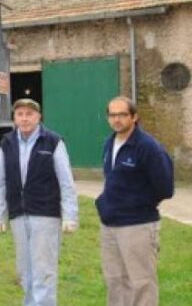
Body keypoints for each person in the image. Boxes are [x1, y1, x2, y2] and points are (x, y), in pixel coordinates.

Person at [0, 98, 78, 306]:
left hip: (45, 216)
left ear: (39, 117)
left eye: (29, 114)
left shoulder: (53, 142)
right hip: (18, 216)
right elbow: (0, 182)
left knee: (44, 270)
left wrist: (70, 215)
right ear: (14, 118)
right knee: (24, 270)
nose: (24, 118)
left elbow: (66, 182)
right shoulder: (7, 143)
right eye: (20, 114)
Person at [96, 96, 174, 306]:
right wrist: (104, 204)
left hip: (137, 226)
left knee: (142, 283)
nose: (117, 119)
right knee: (115, 280)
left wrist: (135, 204)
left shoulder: (148, 147)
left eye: (122, 114)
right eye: (112, 115)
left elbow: (165, 188)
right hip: (110, 226)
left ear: (134, 117)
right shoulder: (109, 143)